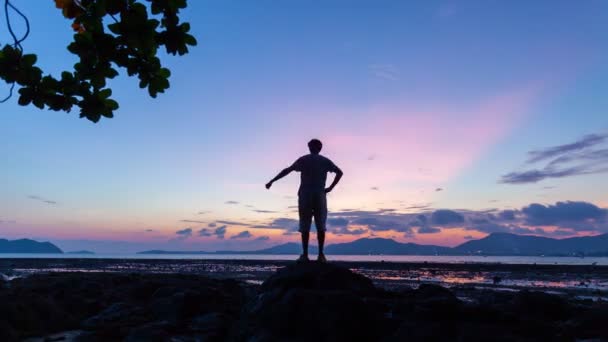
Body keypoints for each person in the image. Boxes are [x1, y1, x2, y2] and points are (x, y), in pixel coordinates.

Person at [265, 139, 343, 263]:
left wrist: (272, 181)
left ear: (309, 147)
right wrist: (330, 188)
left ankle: (305, 255)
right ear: (320, 148)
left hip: (306, 195)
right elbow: (340, 172)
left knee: (305, 224)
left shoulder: (304, 159)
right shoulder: (325, 161)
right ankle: (321, 255)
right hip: (319, 194)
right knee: (320, 225)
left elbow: (288, 170)